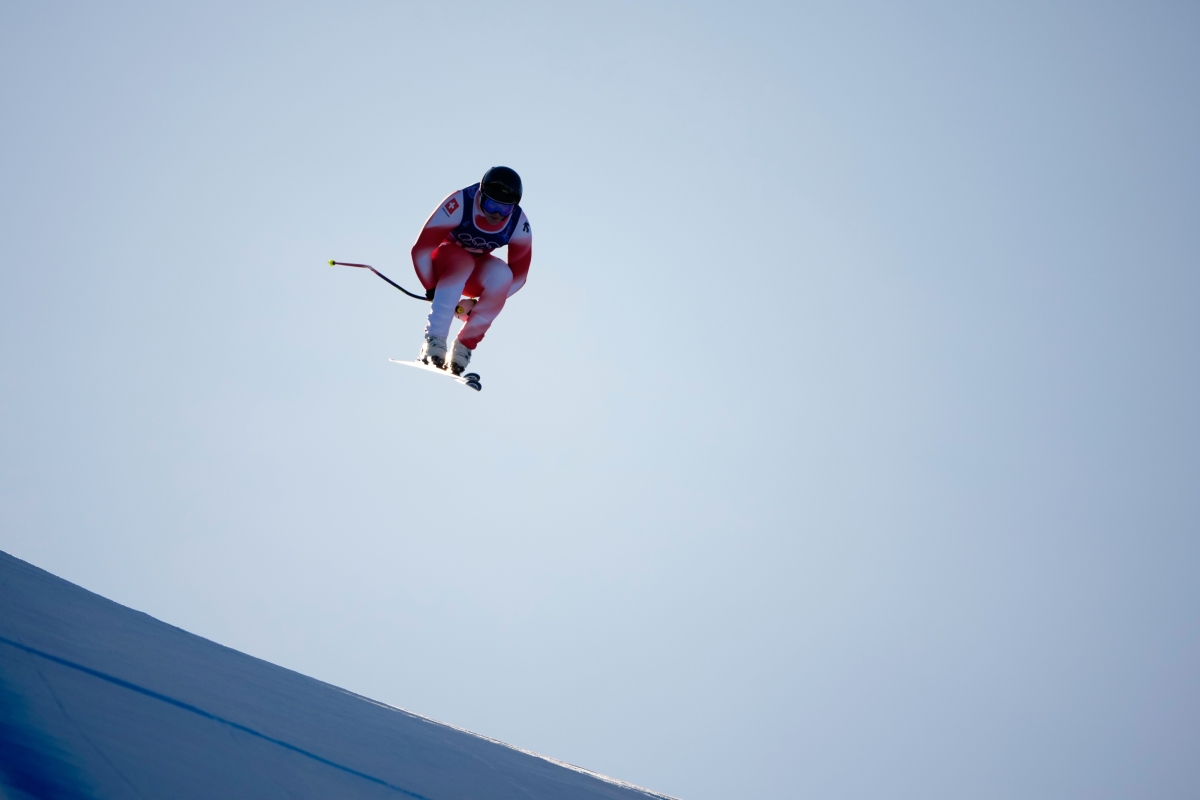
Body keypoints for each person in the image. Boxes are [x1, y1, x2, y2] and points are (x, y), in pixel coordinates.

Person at [410, 166, 532, 375]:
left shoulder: (518, 223)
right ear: (480, 195)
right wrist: (431, 288)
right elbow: (421, 250)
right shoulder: (460, 203)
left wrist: (477, 305)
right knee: (462, 261)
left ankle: (463, 347)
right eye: (491, 204)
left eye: (504, 209)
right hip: (444, 262)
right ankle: (434, 342)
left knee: (503, 276)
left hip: (474, 271)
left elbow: (519, 277)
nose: (496, 213)